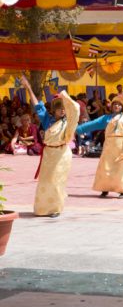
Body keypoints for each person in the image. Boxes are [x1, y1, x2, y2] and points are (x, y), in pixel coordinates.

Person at [22, 76, 79, 218]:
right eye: (59, 108)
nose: (62, 111)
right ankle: (42, 209)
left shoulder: (69, 122)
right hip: (48, 154)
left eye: (64, 108)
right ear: (54, 110)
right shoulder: (48, 119)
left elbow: (76, 109)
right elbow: (37, 105)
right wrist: (28, 87)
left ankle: (55, 208)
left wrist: (65, 97)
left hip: (61, 155)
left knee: (56, 181)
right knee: (45, 181)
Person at [76, 95, 123, 199]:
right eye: (114, 104)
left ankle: (122, 191)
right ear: (111, 106)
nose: (116, 106)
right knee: (106, 167)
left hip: (121, 146)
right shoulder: (107, 118)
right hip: (109, 146)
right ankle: (105, 188)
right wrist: (79, 129)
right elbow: (93, 124)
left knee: (120, 168)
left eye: (119, 104)